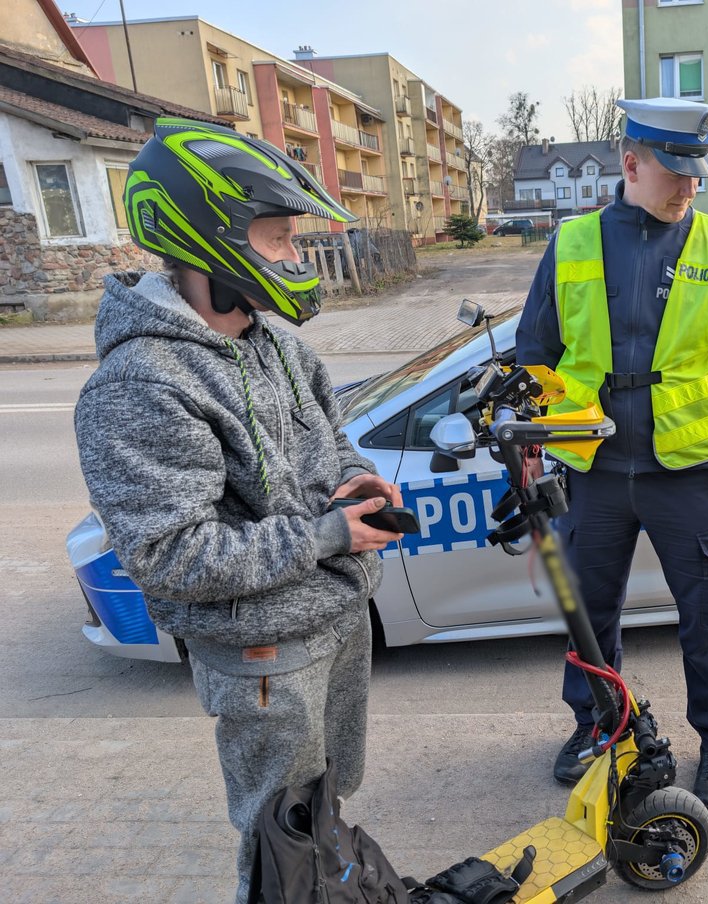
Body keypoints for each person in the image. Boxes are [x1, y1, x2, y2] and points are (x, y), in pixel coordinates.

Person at [74, 118, 405, 904]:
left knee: (324, 814)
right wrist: (327, 533)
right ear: (210, 236)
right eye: (281, 238)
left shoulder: (281, 345)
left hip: (338, 620)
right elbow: (170, 555)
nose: (296, 257)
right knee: (275, 842)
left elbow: (333, 443)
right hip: (264, 657)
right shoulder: (141, 384)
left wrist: (357, 484)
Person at [515, 97, 708, 812]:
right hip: (592, 473)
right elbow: (537, 353)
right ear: (630, 164)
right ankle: (599, 728)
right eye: (675, 173)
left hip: (688, 473)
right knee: (588, 613)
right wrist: (531, 442)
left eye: (698, 174)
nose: (690, 187)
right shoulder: (572, 242)